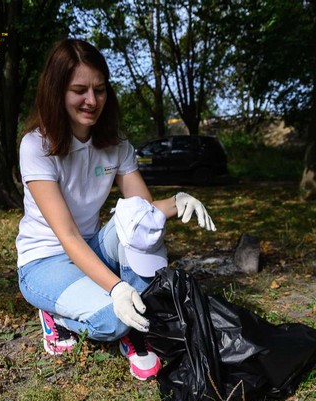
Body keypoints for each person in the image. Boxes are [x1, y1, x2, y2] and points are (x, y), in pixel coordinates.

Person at [15, 39, 216, 381]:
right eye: (79, 90)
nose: (91, 101)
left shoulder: (116, 143)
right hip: (44, 261)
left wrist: (178, 200)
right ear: (57, 91)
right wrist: (117, 288)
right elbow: (67, 236)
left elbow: (141, 212)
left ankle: (138, 328)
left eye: (100, 90)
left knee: (138, 219)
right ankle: (56, 313)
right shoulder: (36, 146)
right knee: (112, 319)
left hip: (92, 247)